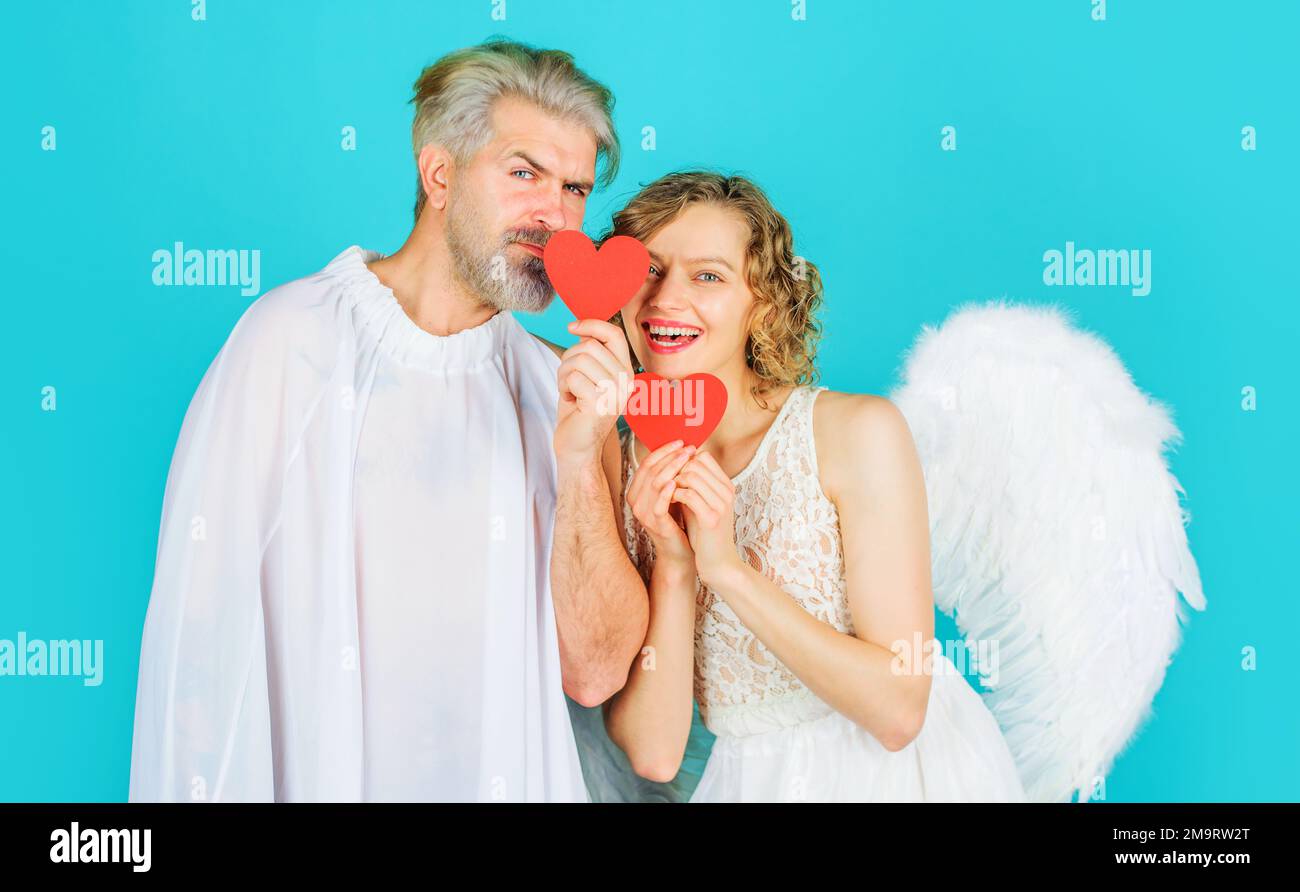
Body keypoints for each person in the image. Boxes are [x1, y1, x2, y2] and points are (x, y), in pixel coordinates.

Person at [128, 38, 649, 802]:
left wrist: (581, 461)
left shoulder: (562, 389)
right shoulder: (288, 341)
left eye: (573, 189)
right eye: (523, 173)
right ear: (438, 174)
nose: (556, 216)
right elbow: (200, 649)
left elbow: (597, 672)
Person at [592, 171, 1028, 801]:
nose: (665, 299)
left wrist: (728, 570)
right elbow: (654, 754)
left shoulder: (856, 433)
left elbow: (901, 710)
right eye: (650, 269)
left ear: (762, 304)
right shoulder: (617, 455)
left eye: (708, 275)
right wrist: (679, 567)